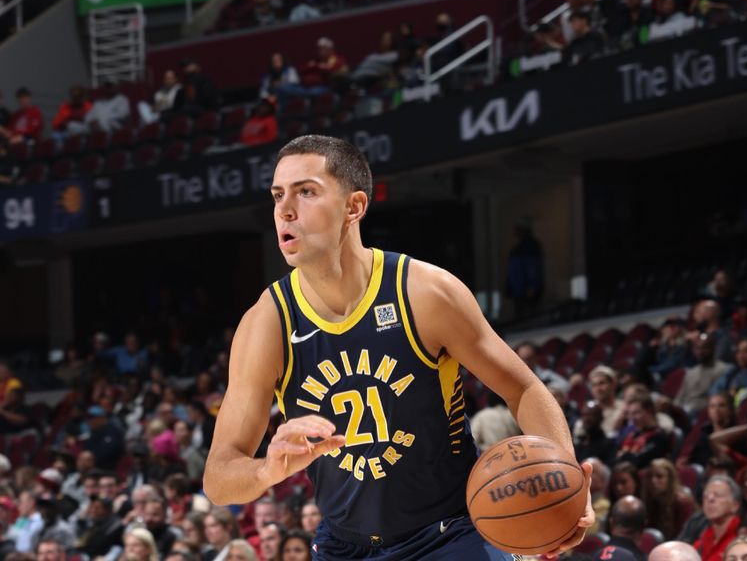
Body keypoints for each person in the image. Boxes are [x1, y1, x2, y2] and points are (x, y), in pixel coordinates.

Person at [203, 135, 594, 560]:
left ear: (354, 207)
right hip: (343, 545)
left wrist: (564, 478)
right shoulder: (266, 322)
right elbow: (219, 477)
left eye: (306, 191)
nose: (285, 209)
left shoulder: (425, 292)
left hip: (448, 533)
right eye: (278, 194)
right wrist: (267, 468)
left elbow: (524, 390)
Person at [643, 458, 697, 540]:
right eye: (650, 476)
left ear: (670, 479)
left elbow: (686, 537)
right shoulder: (651, 500)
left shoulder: (682, 502)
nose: (653, 481)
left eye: (659, 476)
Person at [694, 476, 742, 561]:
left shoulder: (742, 537)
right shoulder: (702, 539)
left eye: (718, 495)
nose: (710, 499)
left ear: (735, 505)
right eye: (706, 496)